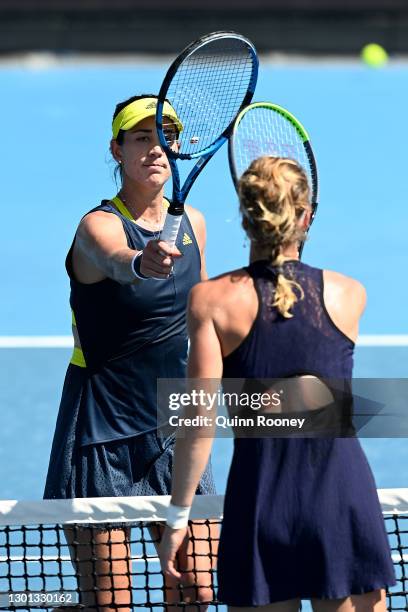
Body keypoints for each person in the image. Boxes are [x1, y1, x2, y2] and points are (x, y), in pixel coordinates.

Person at [159, 157, 396, 611]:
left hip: (260, 505)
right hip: (341, 502)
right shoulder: (350, 294)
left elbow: (197, 422)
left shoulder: (210, 301)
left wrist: (178, 518)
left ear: (246, 217)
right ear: (305, 215)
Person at [44, 94, 216, 610]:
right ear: (116, 150)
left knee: (197, 592)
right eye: (142, 137)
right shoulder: (97, 225)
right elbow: (118, 261)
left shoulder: (196, 226)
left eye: (167, 137)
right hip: (102, 427)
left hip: (174, 425)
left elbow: (202, 320)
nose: (157, 148)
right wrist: (143, 261)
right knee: (111, 605)